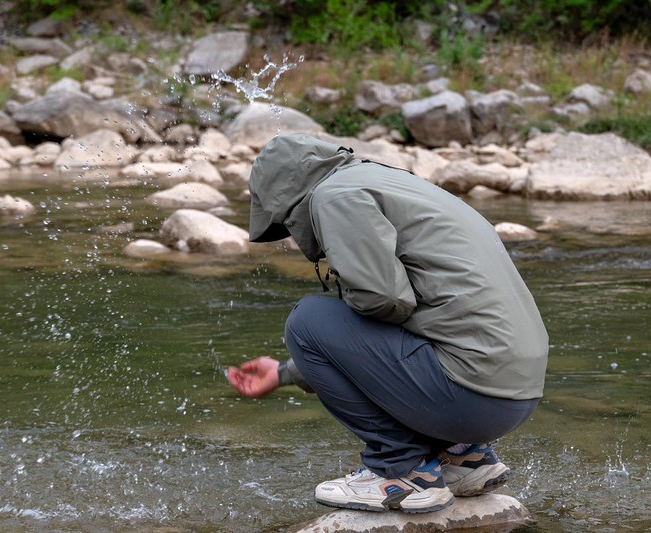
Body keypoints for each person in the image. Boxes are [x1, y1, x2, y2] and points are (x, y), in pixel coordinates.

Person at [227, 134, 548, 514]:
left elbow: (385, 300)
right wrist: (284, 373)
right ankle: (463, 458)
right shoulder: (385, 181)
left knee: (307, 322)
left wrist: (338, 313)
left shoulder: (335, 197)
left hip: (471, 396)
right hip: (514, 393)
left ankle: (402, 471)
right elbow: (408, 322)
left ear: (288, 201)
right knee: (355, 321)